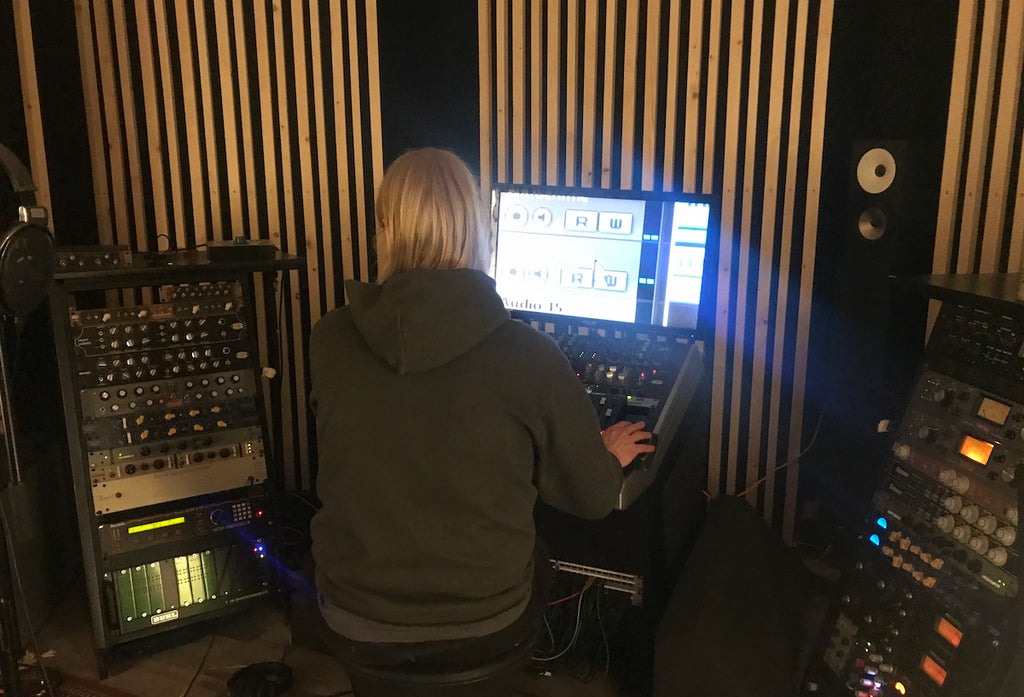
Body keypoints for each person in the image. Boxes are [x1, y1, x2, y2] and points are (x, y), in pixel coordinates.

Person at [307, 147, 655, 695]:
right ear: (479, 231)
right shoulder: (530, 355)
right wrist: (606, 454)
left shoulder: (329, 339)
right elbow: (592, 499)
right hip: (483, 632)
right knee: (540, 553)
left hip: (353, 622)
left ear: (384, 231)